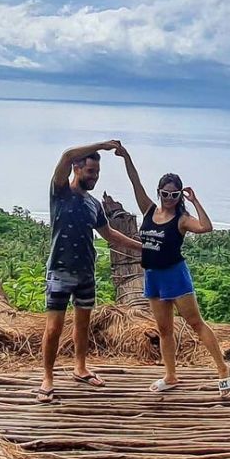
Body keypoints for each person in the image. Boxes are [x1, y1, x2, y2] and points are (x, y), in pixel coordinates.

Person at [116, 143, 230, 396]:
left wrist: (195, 200)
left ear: (180, 195)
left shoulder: (181, 219)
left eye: (175, 194)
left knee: (195, 323)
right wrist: (126, 157)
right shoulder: (149, 210)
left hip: (175, 275)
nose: (170, 199)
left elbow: (206, 227)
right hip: (153, 276)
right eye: (166, 194)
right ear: (159, 192)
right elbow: (134, 182)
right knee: (164, 330)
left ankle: (223, 368)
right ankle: (170, 376)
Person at [37, 140, 144, 403]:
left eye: (97, 173)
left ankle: (80, 367)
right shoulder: (60, 191)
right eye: (90, 172)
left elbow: (109, 234)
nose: (94, 177)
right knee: (54, 328)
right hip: (60, 270)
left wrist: (143, 248)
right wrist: (104, 145)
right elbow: (65, 154)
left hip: (86, 271)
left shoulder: (94, 204)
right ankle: (48, 378)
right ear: (76, 168)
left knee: (83, 325)